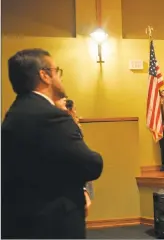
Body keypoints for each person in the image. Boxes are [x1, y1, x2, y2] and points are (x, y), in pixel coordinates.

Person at [1, 48, 103, 239]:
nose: (59, 77)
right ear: (45, 75)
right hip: (51, 224)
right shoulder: (50, 116)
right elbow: (91, 164)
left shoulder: (16, 112)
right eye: (57, 71)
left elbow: (46, 165)